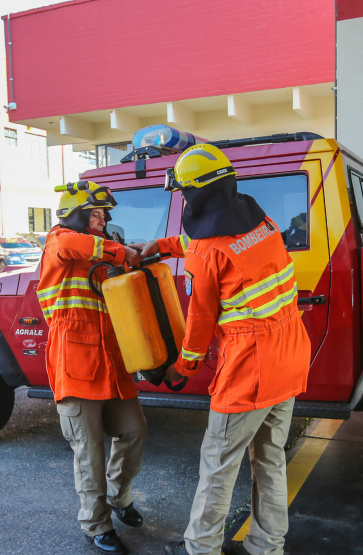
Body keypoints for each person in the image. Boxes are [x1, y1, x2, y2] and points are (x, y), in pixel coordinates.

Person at [131, 144, 311, 555]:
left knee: (217, 467)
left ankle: (200, 548)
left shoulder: (207, 252)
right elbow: (206, 241)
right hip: (289, 358)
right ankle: (267, 546)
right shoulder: (258, 219)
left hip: (251, 370)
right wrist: (162, 245)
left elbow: (199, 321)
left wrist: (182, 368)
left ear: (194, 195)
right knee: (270, 460)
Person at [37, 180, 147, 554]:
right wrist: (122, 251)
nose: (101, 221)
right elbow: (72, 244)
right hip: (76, 362)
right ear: (76, 215)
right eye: (95, 214)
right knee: (89, 449)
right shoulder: (60, 241)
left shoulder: (101, 258)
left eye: (104, 216)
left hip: (111, 362)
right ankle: (95, 524)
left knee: (134, 431)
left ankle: (118, 496)